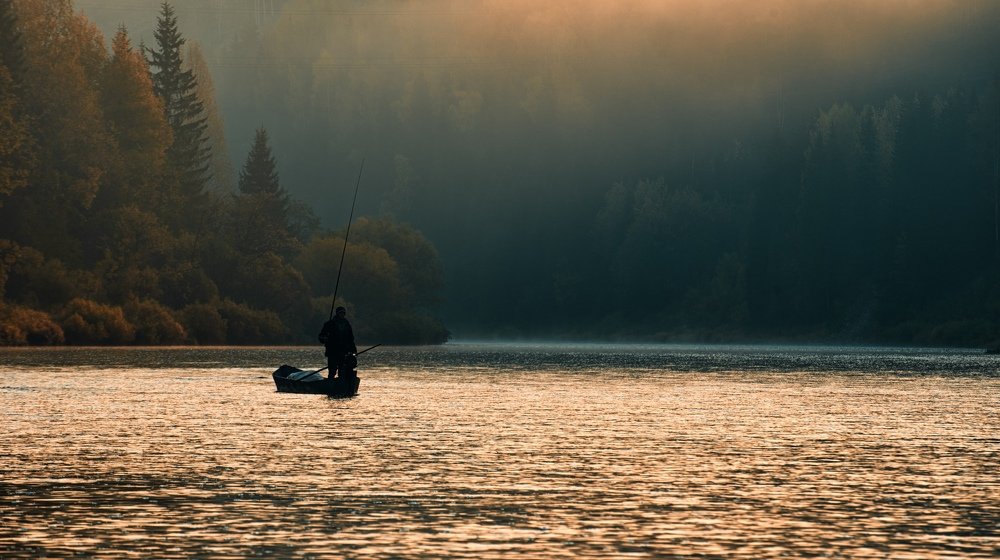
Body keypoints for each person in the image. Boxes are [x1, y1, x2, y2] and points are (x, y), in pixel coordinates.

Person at [318, 306, 357, 379]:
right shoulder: (329, 324)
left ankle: (341, 384)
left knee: (342, 371)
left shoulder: (346, 324)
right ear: (337, 314)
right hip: (332, 352)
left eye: (343, 313)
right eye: (340, 313)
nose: (342, 315)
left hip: (344, 352)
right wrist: (324, 338)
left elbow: (351, 339)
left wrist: (354, 350)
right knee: (332, 371)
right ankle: (330, 384)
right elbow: (321, 336)